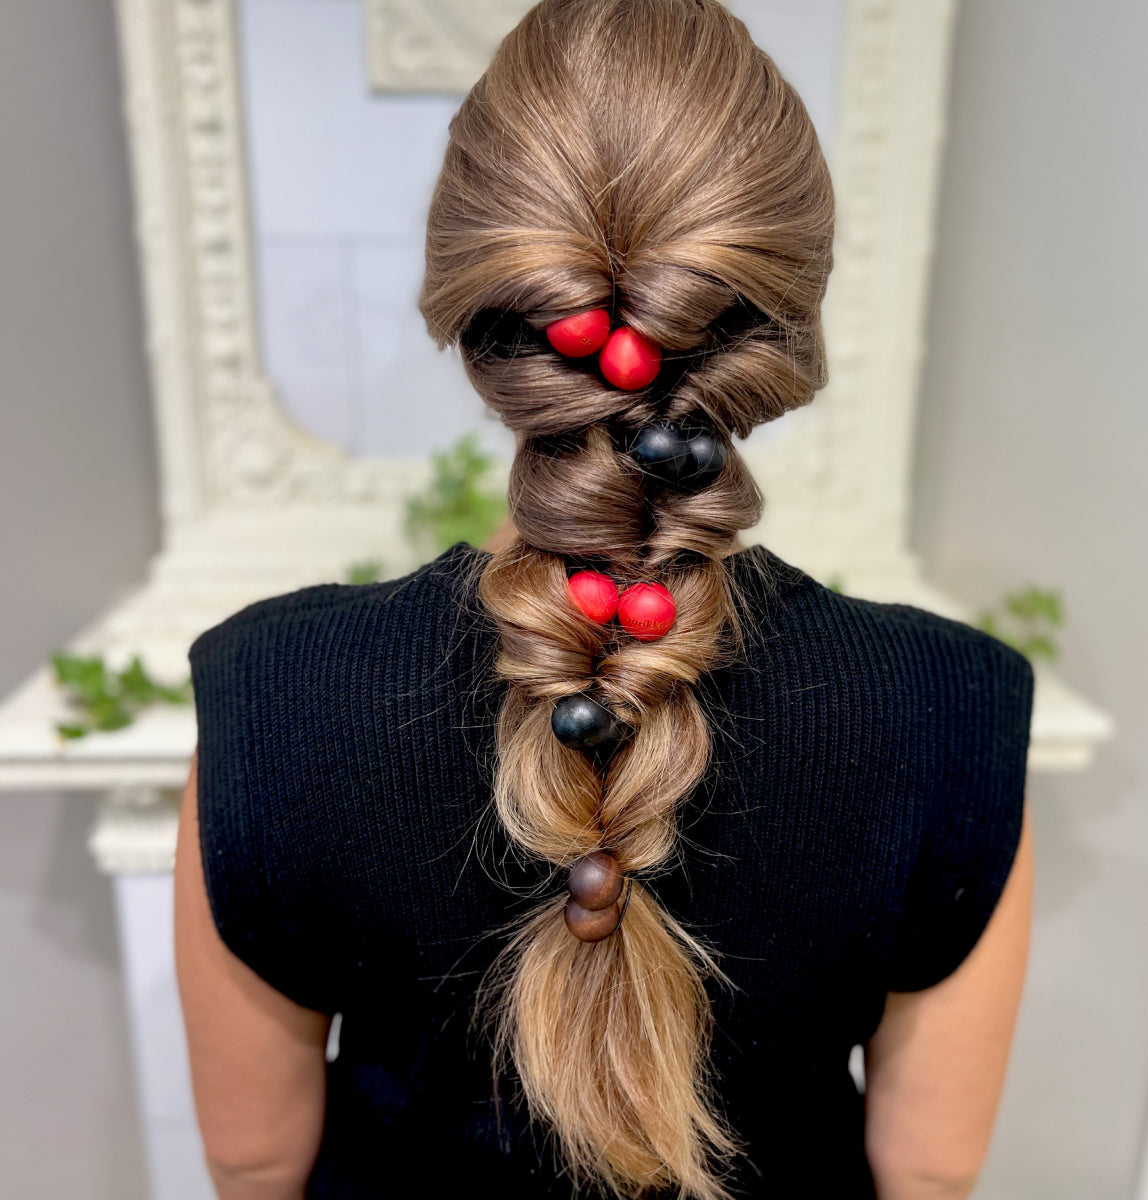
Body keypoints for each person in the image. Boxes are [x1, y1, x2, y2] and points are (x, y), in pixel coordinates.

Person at [174, 2, 1035, 1198]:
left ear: (479, 301)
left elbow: (253, 1153)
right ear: (778, 308)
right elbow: (928, 1173)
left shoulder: (275, 697)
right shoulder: (951, 715)